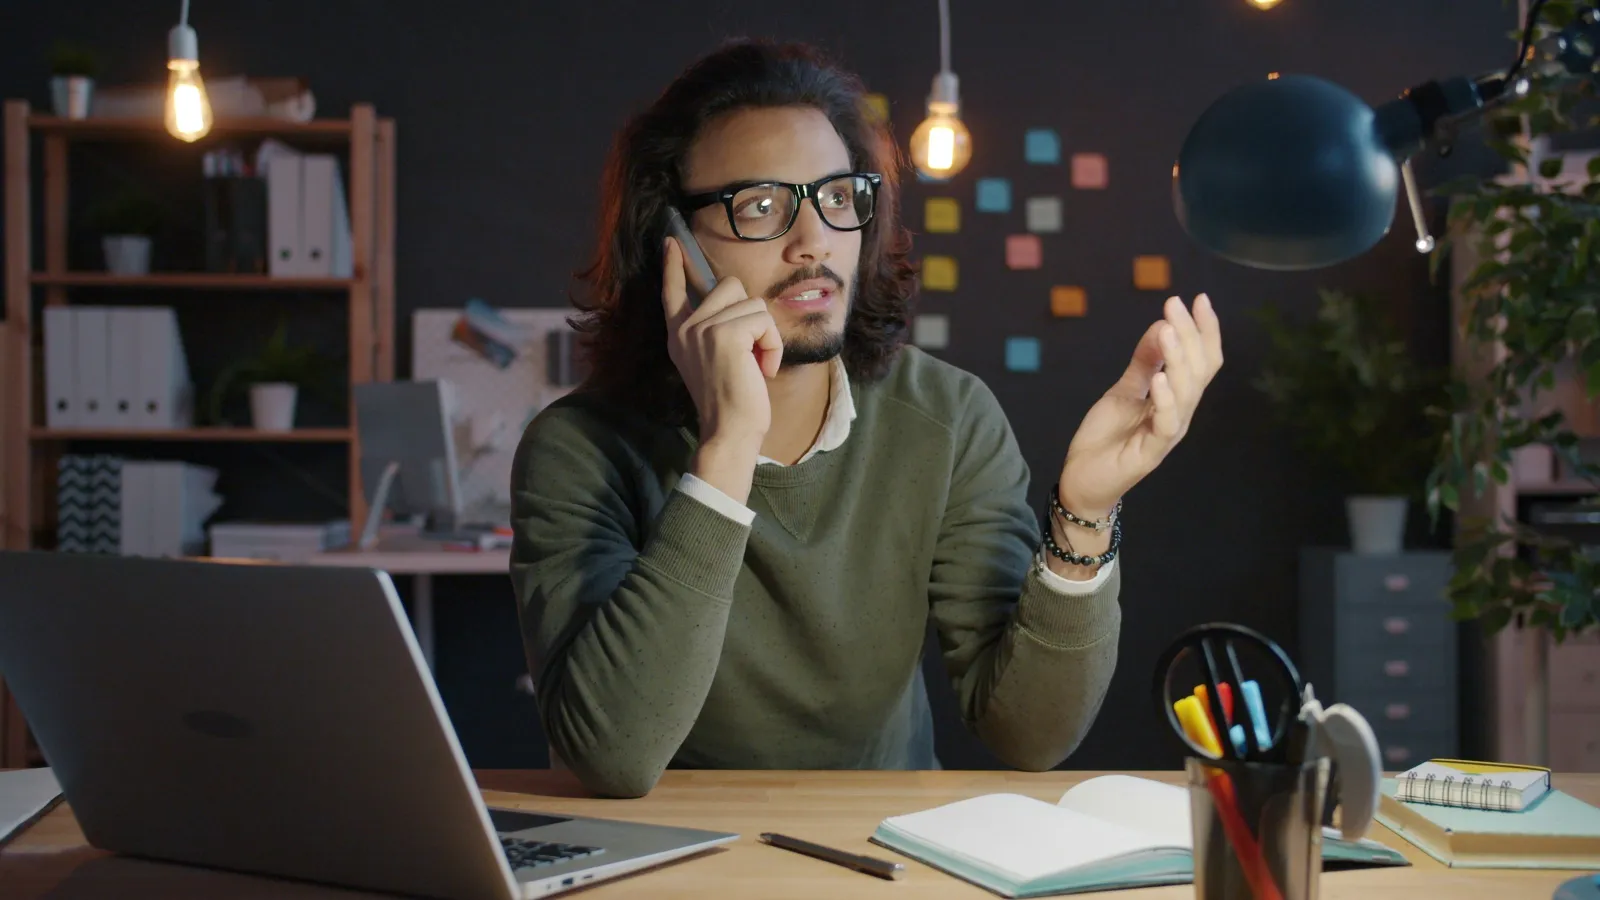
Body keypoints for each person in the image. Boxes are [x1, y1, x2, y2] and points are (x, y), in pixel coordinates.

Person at [509, 39, 1222, 799]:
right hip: (671, 857)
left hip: (880, 849)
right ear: (671, 245)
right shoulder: (578, 449)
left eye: (838, 197)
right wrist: (725, 453)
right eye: (760, 206)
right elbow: (612, 756)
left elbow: (1030, 736)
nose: (814, 240)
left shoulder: (947, 417)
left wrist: (1084, 513)